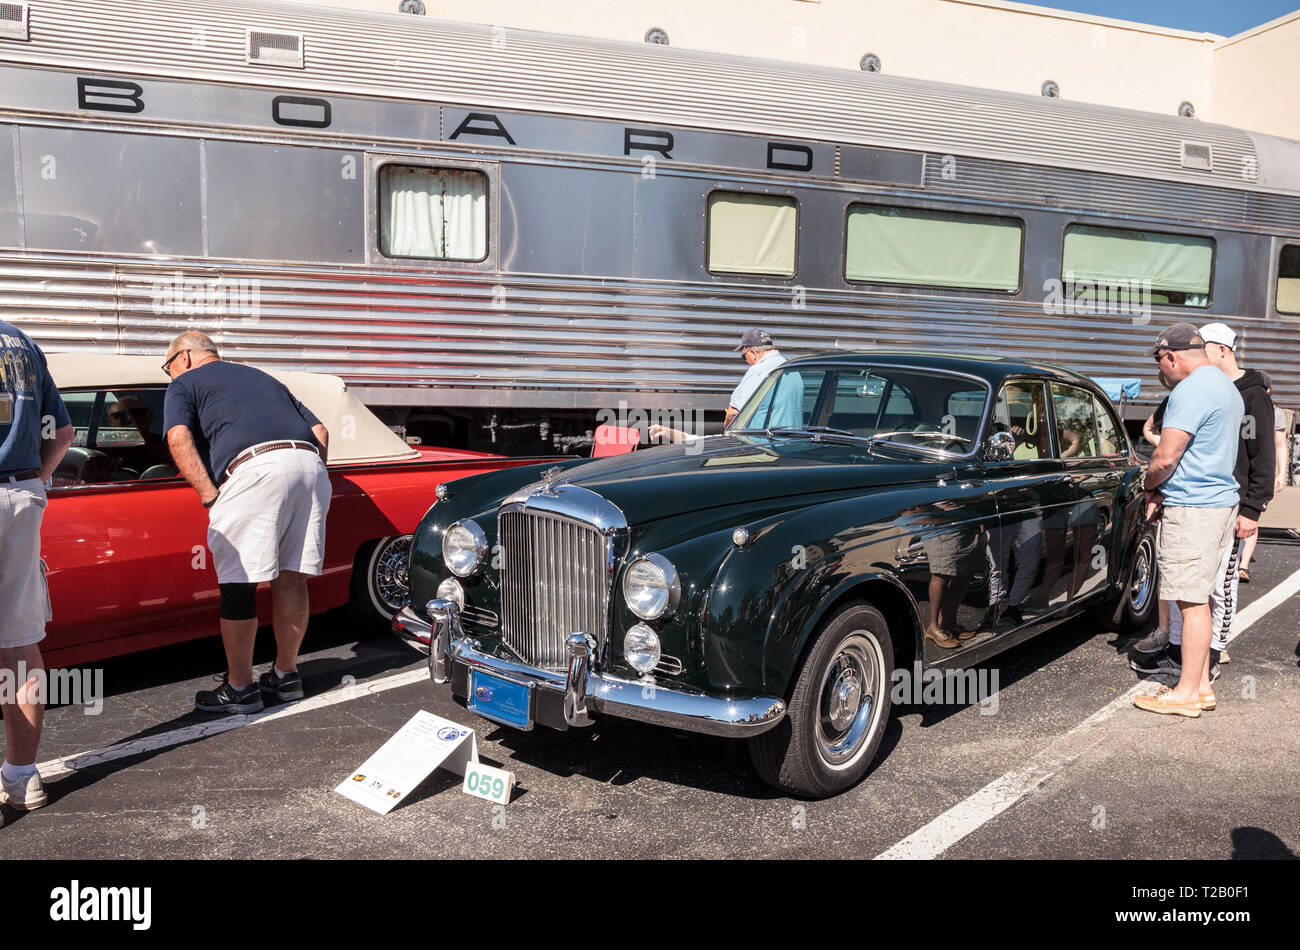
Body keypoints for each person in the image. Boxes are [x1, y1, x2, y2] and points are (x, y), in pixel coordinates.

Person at [163, 332, 331, 713]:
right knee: (291, 576)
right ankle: (286, 675)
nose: (169, 374)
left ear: (184, 356)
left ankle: (239, 687)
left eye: (167, 365)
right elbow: (320, 431)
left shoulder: (185, 383)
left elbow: (177, 437)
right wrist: (310, 473)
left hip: (253, 468)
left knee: (238, 582)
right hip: (309, 463)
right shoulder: (263, 377)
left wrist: (209, 494)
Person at [1132, 322, 1273, 682]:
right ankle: (1194, 677)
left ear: (1171, 356)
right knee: (1198, 598)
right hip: (1218, 502)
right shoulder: (1225, 388)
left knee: (1195, 603)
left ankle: (1190, 687)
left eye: (1159, 362)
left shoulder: (1196, 390)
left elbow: (1166, 456)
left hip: (1197, 507)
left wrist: (1150, 485)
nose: (1160, 370)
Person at [0, 322, 75, 821]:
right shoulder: (20, 341)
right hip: (22, 494)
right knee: (20, 641)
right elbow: (64, 432)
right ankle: (22, 776)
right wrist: (37, 483)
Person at [650, 328, 788, 442]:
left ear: (752, 353)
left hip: (759, 447)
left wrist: (728, 429)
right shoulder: (791, 369)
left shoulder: (758, 371)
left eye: (743, 356)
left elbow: (733, 414)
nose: (745, 360)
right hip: (788, 446)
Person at [1236, 371, 1287, 583]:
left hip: (1256, 474)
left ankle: (1243, 564)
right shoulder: (1236, 404)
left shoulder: (1276, 413)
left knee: (1251, 514)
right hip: (1239, 473)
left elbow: (1279, 444)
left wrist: (1281, 472)